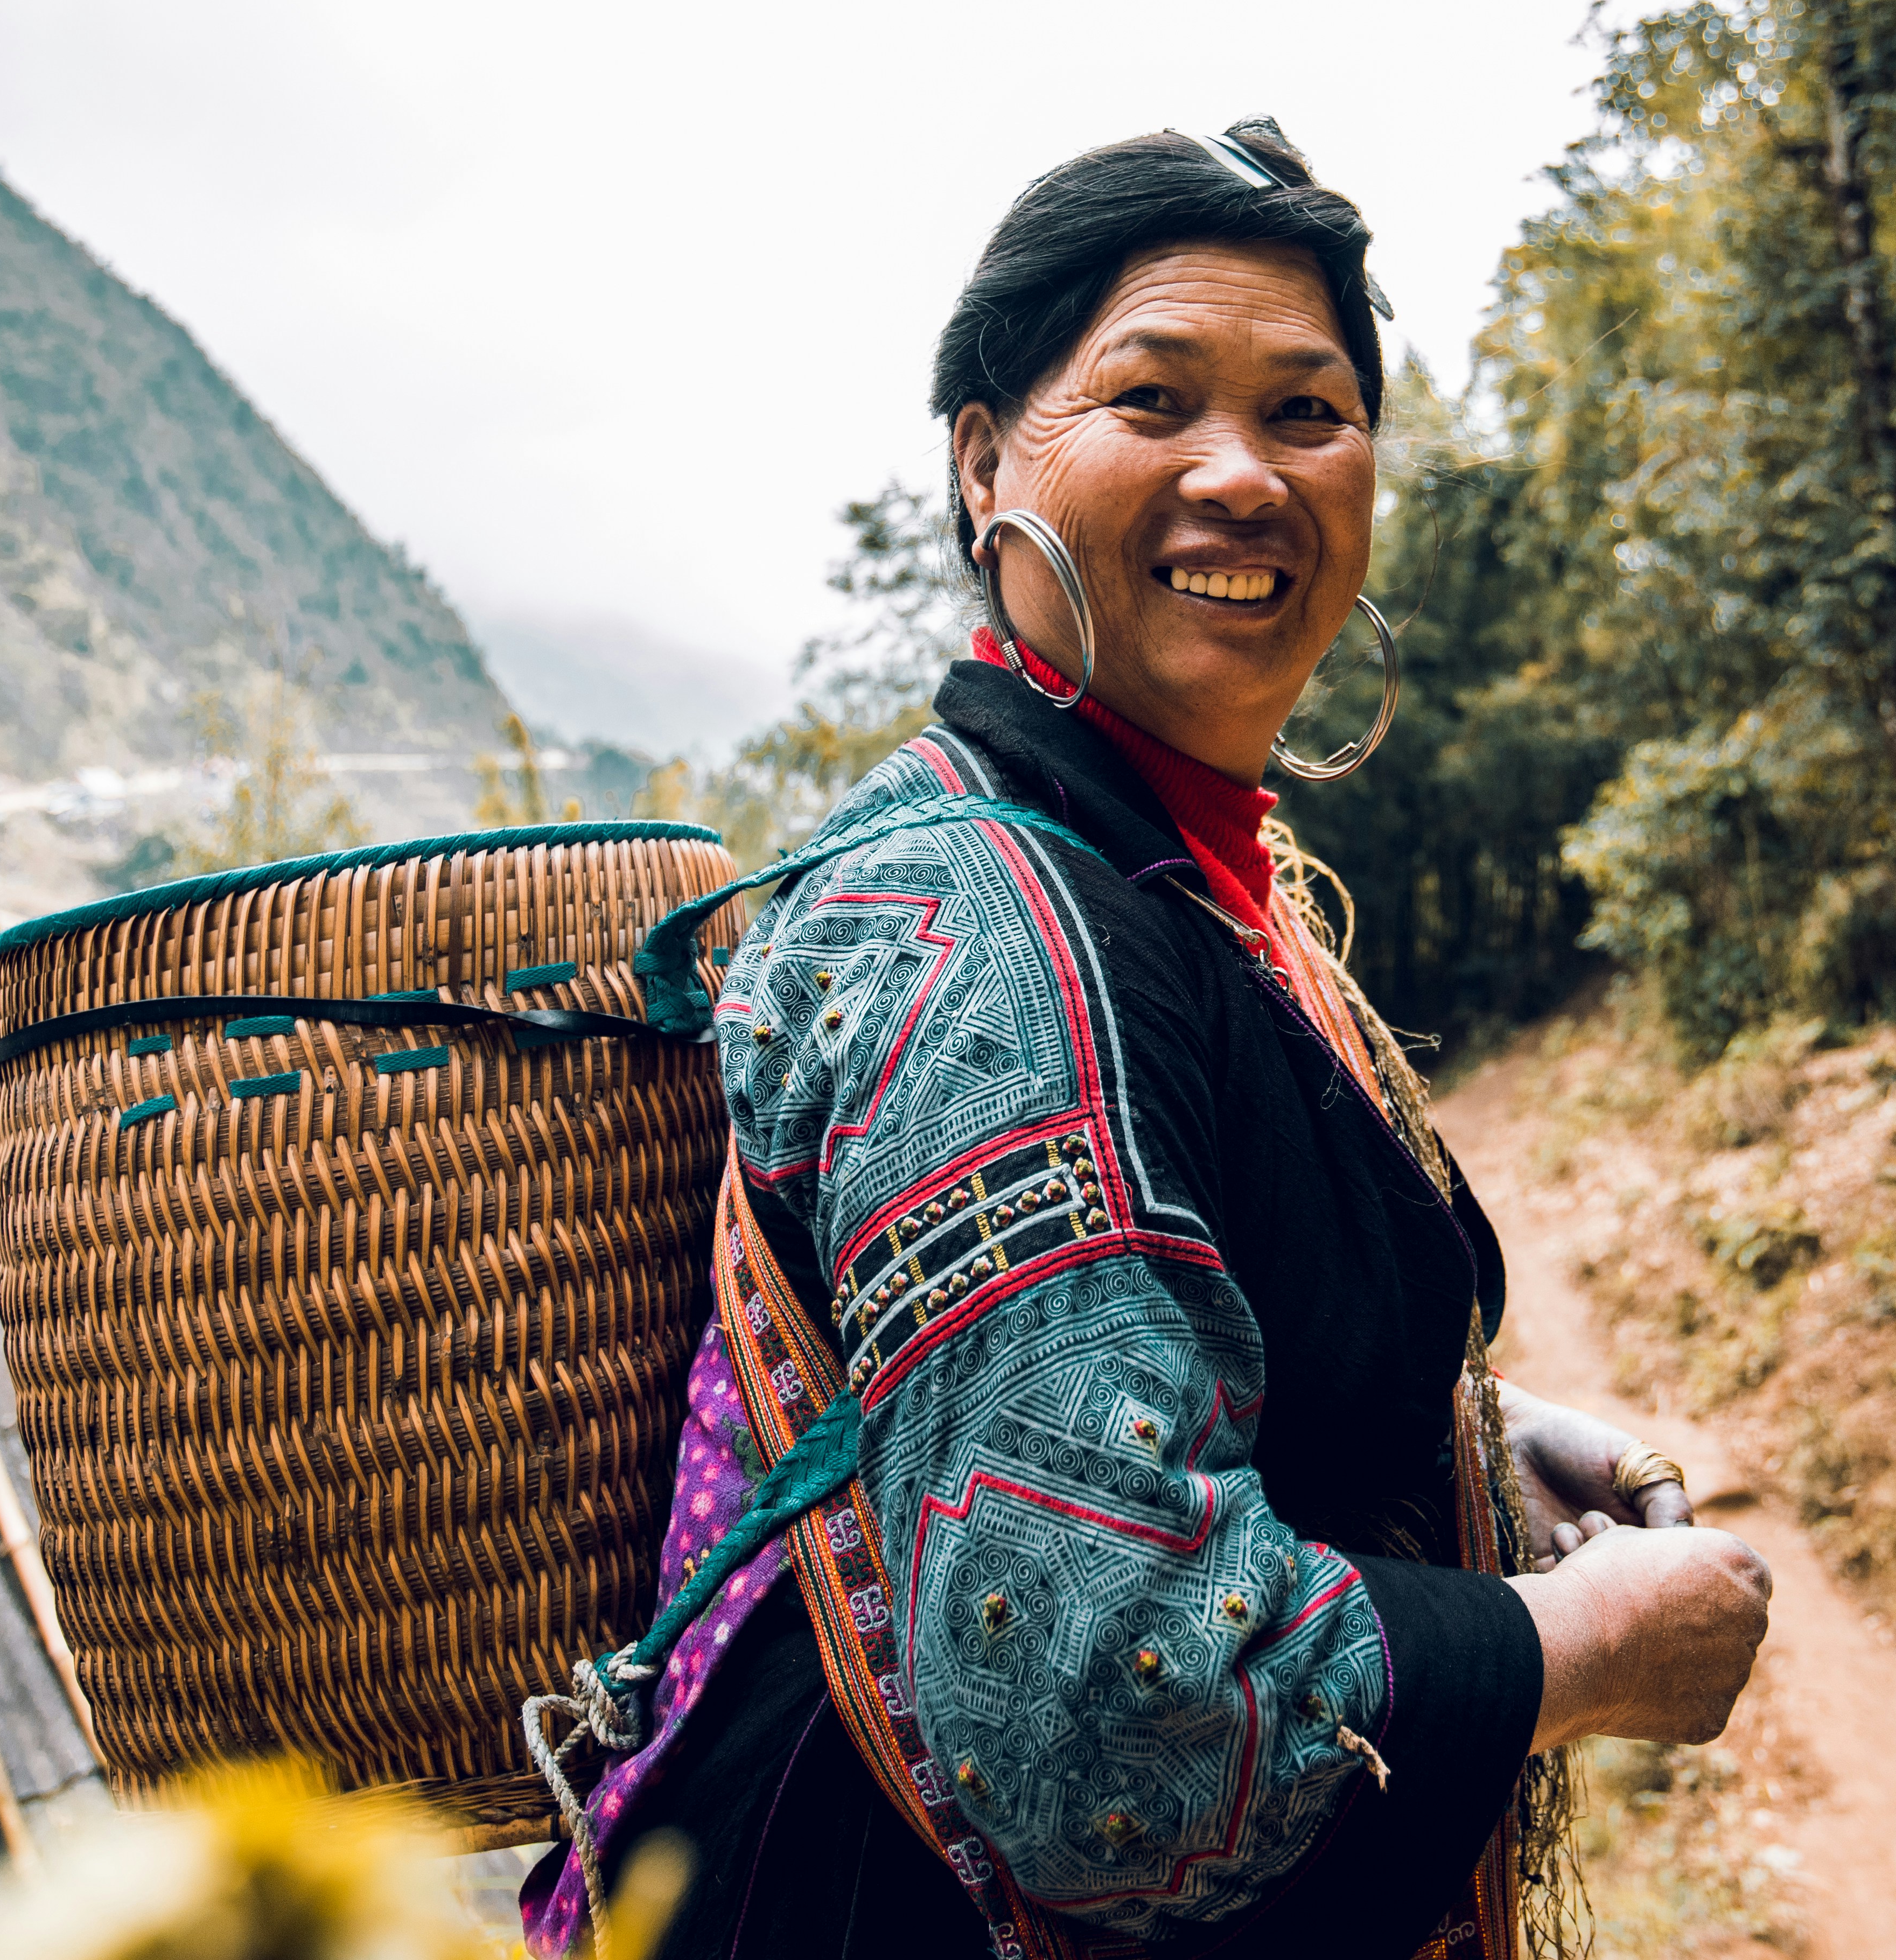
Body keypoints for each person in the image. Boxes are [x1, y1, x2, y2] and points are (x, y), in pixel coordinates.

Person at [527, 121, 1769, 1960]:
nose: (1242, 475)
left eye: (1308, 410)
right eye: (1153, 397)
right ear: (982, 462)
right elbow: (1114, 1722)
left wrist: (1470, 1447)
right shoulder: (996, 942)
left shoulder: (1169, 880)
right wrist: (1582, 1649)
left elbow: (1146, 1337)